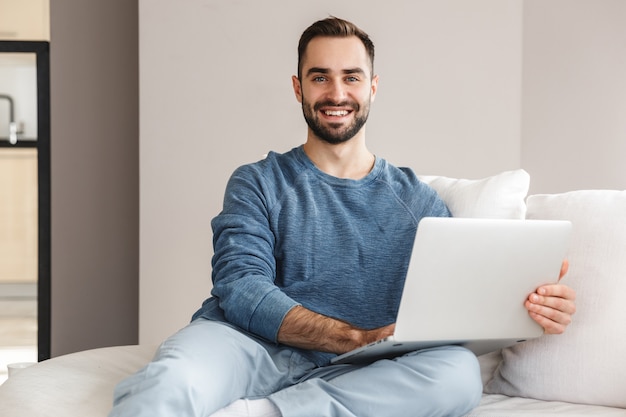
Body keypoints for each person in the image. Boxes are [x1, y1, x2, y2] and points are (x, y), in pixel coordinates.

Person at [109, 17, 576, 417]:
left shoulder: (419, 202)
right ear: (298, 88)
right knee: (167, 383)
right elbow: (241, 288)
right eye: (320, 77)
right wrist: (352, 337)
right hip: (248, 345)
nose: (337, 92)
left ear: (372, 87)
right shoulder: (257, 181)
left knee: (455, 376)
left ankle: (271, 412)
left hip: (362, 369)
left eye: (352, 77)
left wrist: (528, 305)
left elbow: (448, 312)